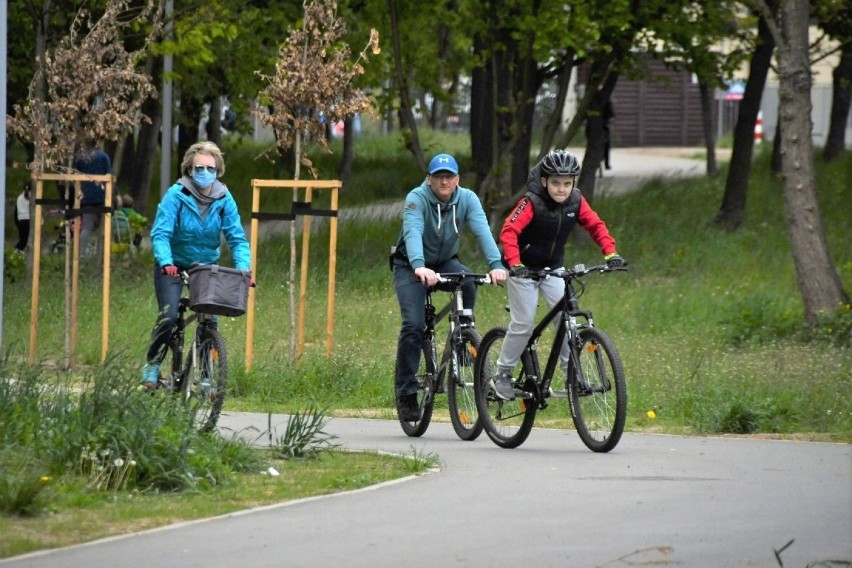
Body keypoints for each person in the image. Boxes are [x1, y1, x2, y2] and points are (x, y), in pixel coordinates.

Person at [491, 149, 625, 400]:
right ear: (544, 181)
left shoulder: (576, 201)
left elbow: (595, 225)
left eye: (567, 183)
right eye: (555, 183)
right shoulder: (531, 202)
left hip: (553, 268)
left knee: (566, 320)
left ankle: (570, 374)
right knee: (524, 323)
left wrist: (611, 253)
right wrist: (515, 263)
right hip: (523, 270)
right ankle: (503, 374)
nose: (561, 189)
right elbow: (509, 231)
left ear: (573, 183)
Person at [391, 153, 508, 421]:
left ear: (457, 179)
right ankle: (407, 392)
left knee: (468, 279)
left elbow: (482, 230)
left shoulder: (467, 198)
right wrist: (419, 265)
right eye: (438, 176)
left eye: (449, 176)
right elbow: (412, 231)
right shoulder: (416, 199)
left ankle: (464, 338)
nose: (444, 181)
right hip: (410, 266)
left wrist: (496, 264)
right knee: (413, 325)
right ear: (429, 179)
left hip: (444, 262)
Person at [142, 141, 252, 387]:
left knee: (209, 321)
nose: (205, 173)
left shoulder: (224, 198)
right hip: (172, 265)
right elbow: (161, 233)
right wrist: (166, 261)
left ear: (218, 170)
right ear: (189, 170)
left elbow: (237, 238)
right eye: (199, 168)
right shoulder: (176, 195)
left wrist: (245, 269)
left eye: (210, 168)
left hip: (204, 268)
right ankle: (153, 364)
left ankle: (205, 376)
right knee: (169, 317)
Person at [74, 147, 112, 257]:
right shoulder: (104, 157)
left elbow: (76, 175)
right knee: (105, 225)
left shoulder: (81, 159)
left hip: (86, 197)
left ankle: (82, 253)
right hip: (102, 196)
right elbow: (108, 175)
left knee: (87, 226)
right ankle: (103, 253)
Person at [14, 182, 32, 253]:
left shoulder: (19, 198)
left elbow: (16, 212)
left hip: (21, 220)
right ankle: (17, 251)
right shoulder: (30, 198)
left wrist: (17, 222)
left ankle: (18, 251)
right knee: (25, 240)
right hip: (27, 220)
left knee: (22, 239)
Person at [603, 100, 615, 170]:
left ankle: (606, 163)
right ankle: (606, 163)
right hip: (601, 127)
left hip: (601, 126)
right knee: (607, 145)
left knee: (606, 144)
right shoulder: (606, 100)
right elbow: (611, 114)